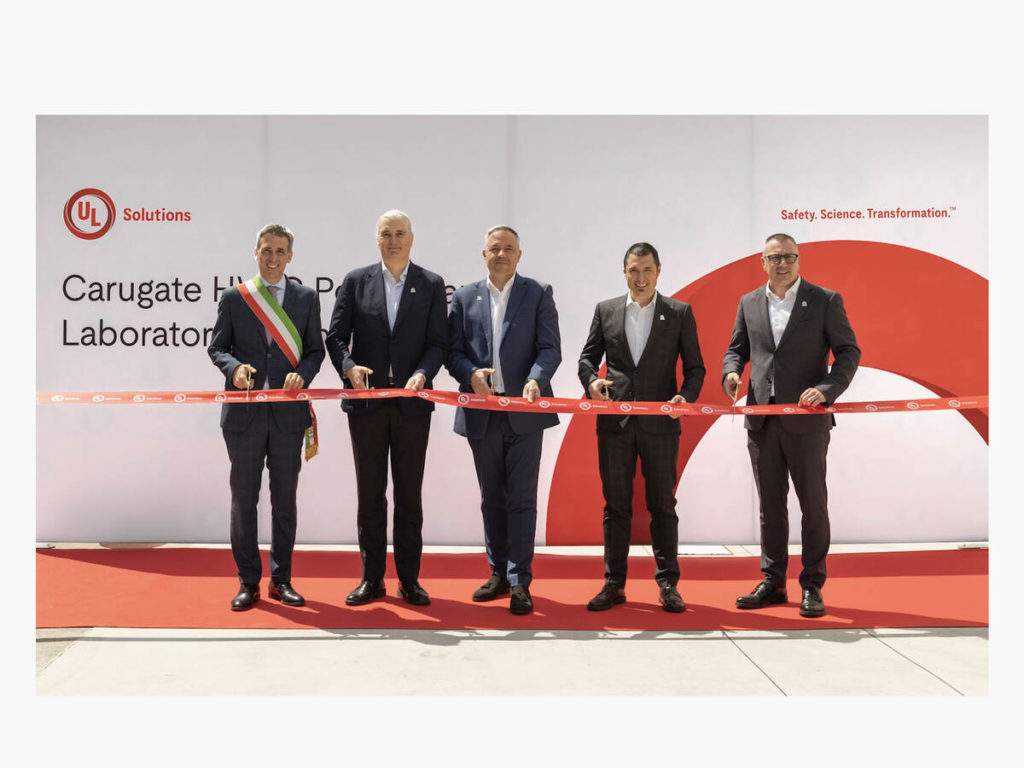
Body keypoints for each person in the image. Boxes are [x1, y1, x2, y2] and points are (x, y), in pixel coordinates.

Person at [723, 233, 860, 617]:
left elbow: (849, 351)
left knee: (813, 505)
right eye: (775, 257)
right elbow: (736, 350)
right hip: (762, 421)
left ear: (798, 260)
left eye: (789, 256)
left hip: (807, 422)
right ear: (763, 262)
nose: (782, 263)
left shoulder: (824, 300)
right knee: (770, 507)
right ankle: (773, 581)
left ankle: (812, 585)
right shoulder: (749, 302)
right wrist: (731, 373)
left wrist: (826, 389)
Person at [326, 210, 448, 607]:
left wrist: (423, 373)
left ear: (411, 238)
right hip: (367, 406)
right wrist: (348, 367)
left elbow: (439, 343)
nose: (393, 240)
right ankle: (372, 579)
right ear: (376, 239)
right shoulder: (355, 281)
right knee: (370, 495)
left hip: (413, 406)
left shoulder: (431, 284)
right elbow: (336, 337)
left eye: (399, 233)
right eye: (386, 234)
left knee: (409, 496)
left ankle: (409, 581)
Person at [577, 242, 705, 613]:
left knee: (662, 505)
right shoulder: (606, 310)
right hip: (614, 424)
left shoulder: (679, 313)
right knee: (616, 506)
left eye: (647, 270)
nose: (641, 278)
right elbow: (587, 359)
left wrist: (685, 397)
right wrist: (592, 382)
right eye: (634, 270)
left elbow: (696, 368)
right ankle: (613, 584)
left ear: (658, 271)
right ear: (624, 272)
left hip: (661, 426)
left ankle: (668, 585)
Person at [208, 223, 325, 611]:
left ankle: (281, 580)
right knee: (244, 500)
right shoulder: (235, 297)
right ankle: (247, 582)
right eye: (266, 250)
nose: (272, 258)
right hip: (244, 416)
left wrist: (302, 374)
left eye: (279, 251)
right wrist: (235, 369)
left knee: (284, 501)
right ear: (255, 253)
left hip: (288, 415)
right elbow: (217, 348)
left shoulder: (307, 298)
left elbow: (315, 351)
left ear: (290, 256)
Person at [446, 226, 562, 615]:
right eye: (494, 248)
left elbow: (550, 348)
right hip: (482, 414)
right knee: (492, 498)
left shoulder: (538, 293)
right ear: (484, 254)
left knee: (522, 499)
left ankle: (520, 581)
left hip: (525, 414)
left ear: (519, 255)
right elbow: (452, 352)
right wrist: (470, 375)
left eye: (508, 248)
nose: (501, 254)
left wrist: (535, 379)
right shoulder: (464, 297)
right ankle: (497, 573)